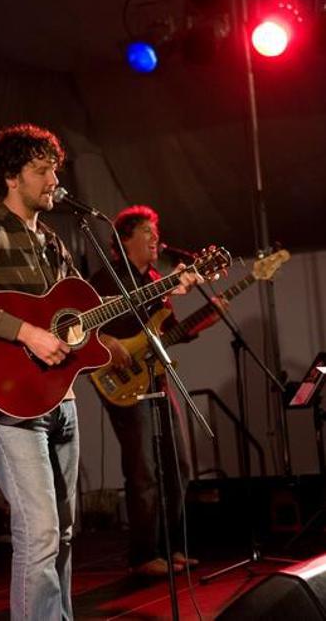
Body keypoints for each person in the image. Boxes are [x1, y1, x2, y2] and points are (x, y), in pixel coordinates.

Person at [0, 125, 198, 618]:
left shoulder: (54, 242)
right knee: (39, 533)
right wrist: (27, 334)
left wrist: (163, 289)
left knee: (64, 532)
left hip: (62, 401)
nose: (54, 180)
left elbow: (83, 315)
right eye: (42, 170)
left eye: (54, 169)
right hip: (11, 407)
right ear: (11, 177)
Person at [90, 205, 222, 577]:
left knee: (178, 465)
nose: (155, 238)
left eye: (156, 231)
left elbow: (168, 332)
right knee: (143, 469)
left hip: (156, 376)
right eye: (146, 231)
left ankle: (172, 547)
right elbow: (85, 327)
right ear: (125, 240)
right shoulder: (106, 278)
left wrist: (206, 318)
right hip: (121, 380)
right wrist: (108, 341)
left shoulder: (155, 278)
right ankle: (143, 555)